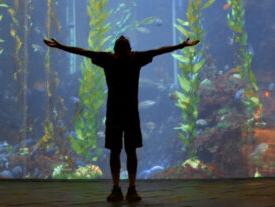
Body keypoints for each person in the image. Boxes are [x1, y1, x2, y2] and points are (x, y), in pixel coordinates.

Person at [44, 35, 200, 202]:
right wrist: (181, 46)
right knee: (129, 151)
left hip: (114, 112)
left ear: (115, 50)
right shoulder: (135, 58)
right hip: (130, 112)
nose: (122, 38)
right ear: (129, 49)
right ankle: (130, 188)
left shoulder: (108, 59)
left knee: (115, 151)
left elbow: (83, 52)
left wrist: (60, 46)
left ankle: (117, 187)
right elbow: (159, 51)